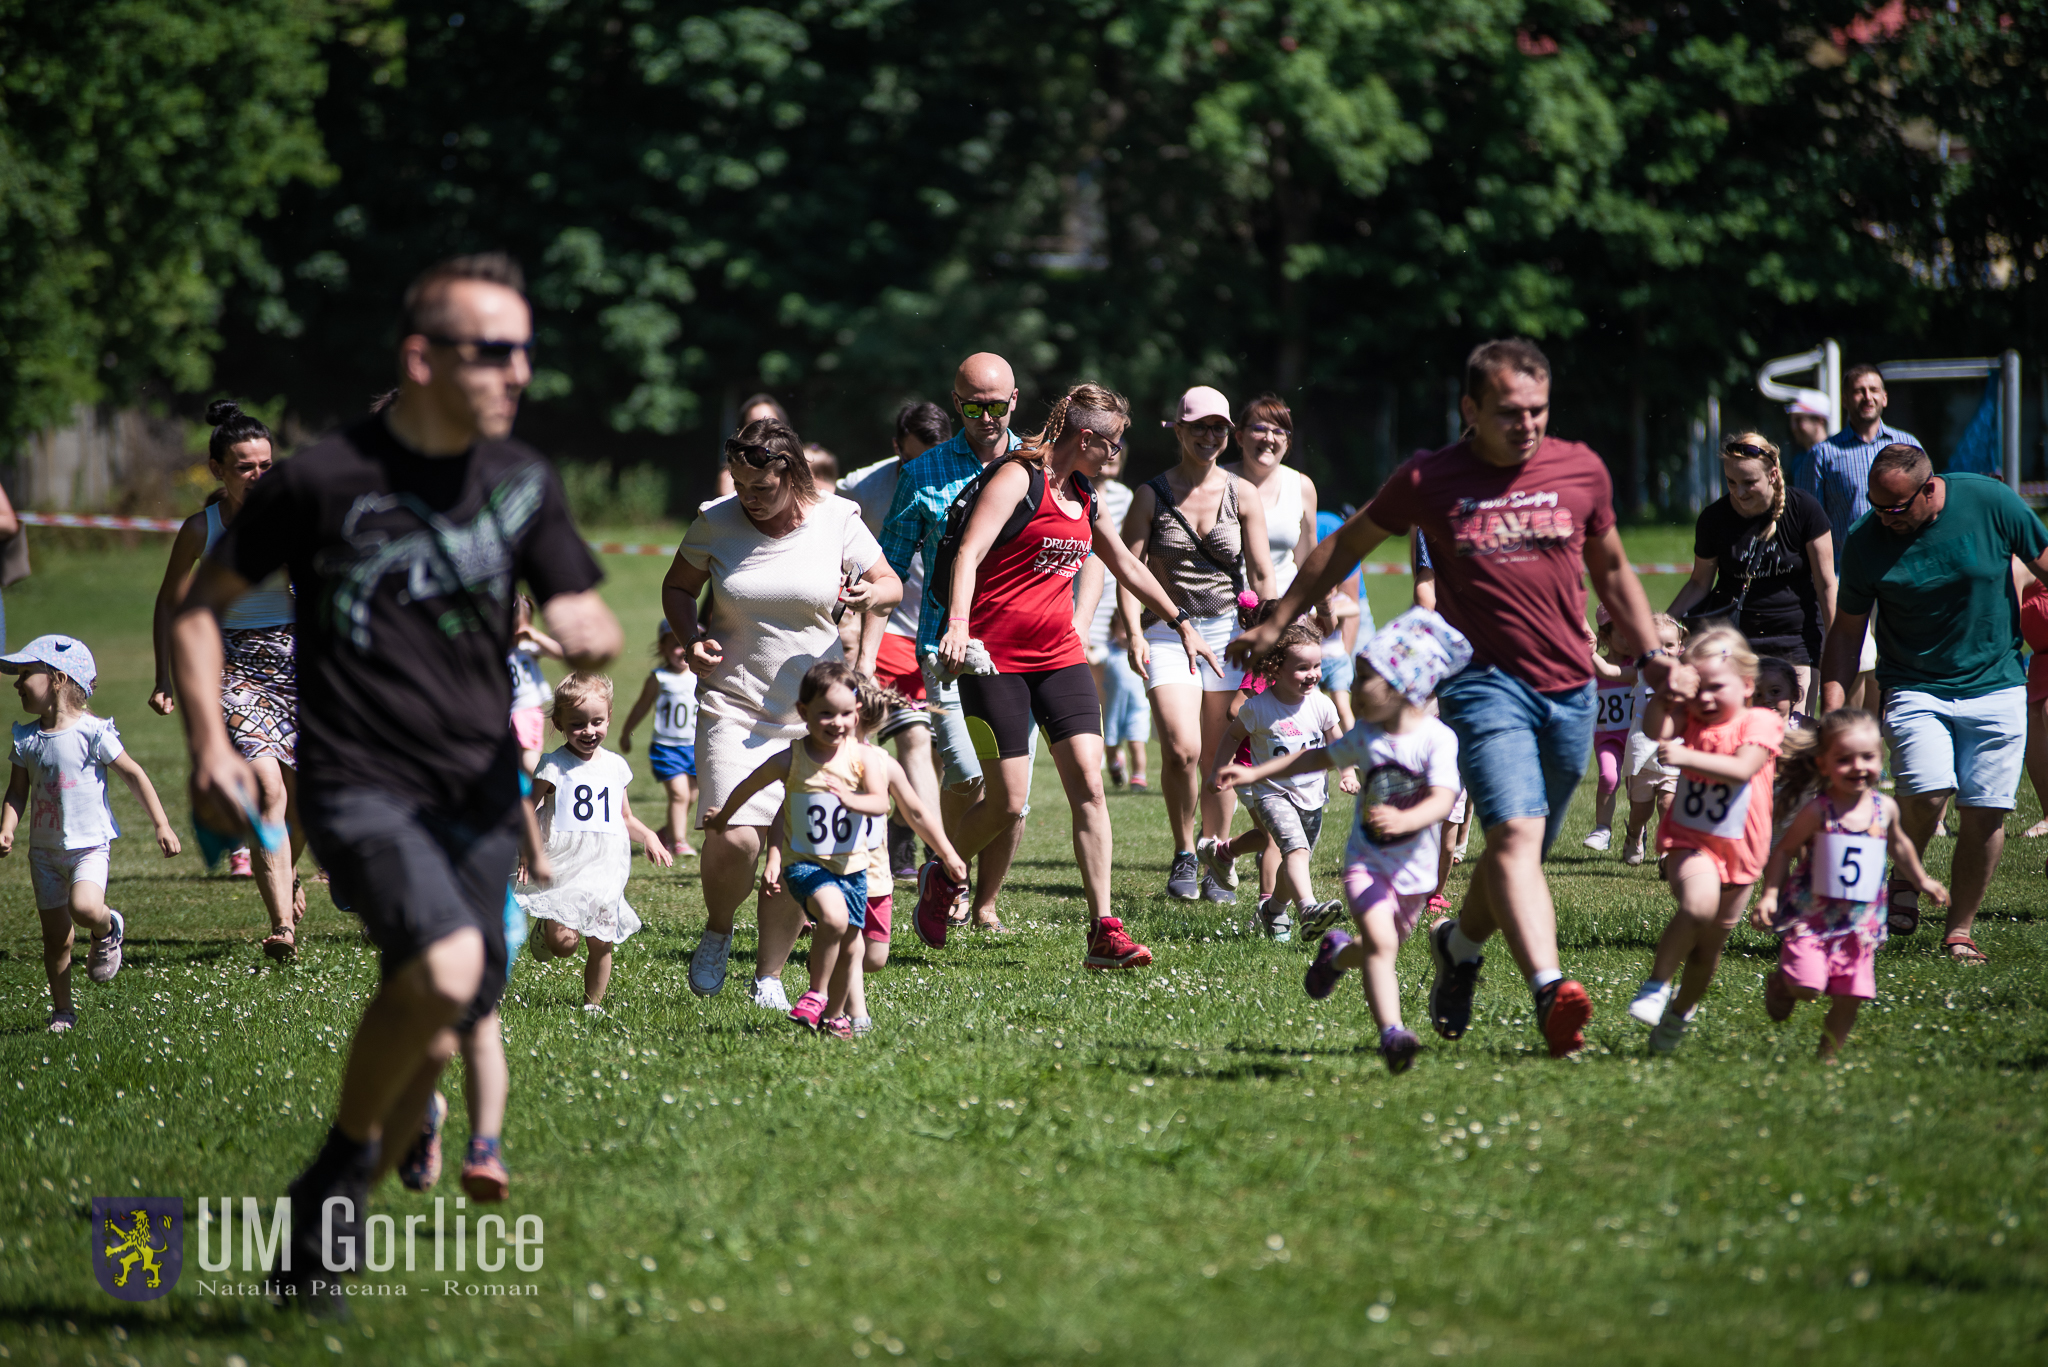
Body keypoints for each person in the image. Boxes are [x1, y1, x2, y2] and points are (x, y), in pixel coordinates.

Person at [172, 252, 621, 1297]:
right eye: (491, 351)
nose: (516, 371)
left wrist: (586, 621)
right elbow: (201, 611)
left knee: (432, 1009)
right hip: (359, 777)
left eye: (525, 351)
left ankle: (333, 1176)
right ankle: (342, 1176)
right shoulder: (318, 482)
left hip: (478, 785)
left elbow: (573, 600)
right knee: (451, 971)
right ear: (422, 358)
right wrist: (206, 744)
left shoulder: (519, 478)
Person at [1230, 338, 1685, 1059]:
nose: (1528, 424)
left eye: (1538, 410)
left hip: (1568, 688)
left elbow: (1614, 569)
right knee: (1511, 835)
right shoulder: (1431, 478)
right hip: (1482, 685)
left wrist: (1654, 655)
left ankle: (1460, 945)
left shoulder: (1580, 469)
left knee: (1521, 848)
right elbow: (1345, 546)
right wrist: (1281, 619)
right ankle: (1549, 988)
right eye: (1510, 412)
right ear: (1471, 409)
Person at [918, 381, 1224, 970]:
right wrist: (957, 624)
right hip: (995, 659)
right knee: (1008, 803)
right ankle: (943, 874)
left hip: (1059, 656)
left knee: (1088, 783)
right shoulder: (1017, 478)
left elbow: (1126, 563)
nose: (1116, 454)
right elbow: (968, 553)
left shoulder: (1087, 494)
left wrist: (1179, 619)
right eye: (1112, 443)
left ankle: (1103, 930)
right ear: (1085, 437)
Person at [661, 417, 901, 1005]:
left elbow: (889, 582)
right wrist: (691, 637)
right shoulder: (715, 520)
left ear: (790, 474)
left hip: (811, 715)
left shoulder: (837, 518)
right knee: (736, 835)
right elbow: (676, 588)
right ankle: (719, 928)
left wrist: (871, 594)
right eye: (742, 487)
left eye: (762, 489)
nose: (750, 499)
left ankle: (767, 976)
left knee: (799, 849)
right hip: (733, 704)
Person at [1820, 443, 2048, 964]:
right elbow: (1847, 632)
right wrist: (1833, 712)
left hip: (1997, 681)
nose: (1885, 519)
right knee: (1926, 792)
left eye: (1896, 508)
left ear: (1930, 489)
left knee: (1987, 811)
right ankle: (1902, 876)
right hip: (1914, 684)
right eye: (1876, 507)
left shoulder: (1990, 501)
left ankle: (1960, 931)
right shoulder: (1865, 540)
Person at [1230, 608, 1468, 1075]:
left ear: (1406, 687)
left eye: (1365, 680)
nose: (1353, 691)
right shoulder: (1367, 735)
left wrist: (1408, 820)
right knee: (1381, 945)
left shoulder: (1438, 740)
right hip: (1368, 864)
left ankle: (1337, 954)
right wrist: (1254, 771)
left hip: (1415, 874)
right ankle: (1392, 1033)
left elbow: (1443, 800)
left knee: (1379, 946)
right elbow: (1309, 759)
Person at [716, 661, 963, 1035]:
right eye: (827, 715)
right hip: (814, 867)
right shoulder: (801, 760)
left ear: (859, 716)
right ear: (807, 715)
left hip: (868, 872)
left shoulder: (876, 762)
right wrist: (762, 847)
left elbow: (912, 810)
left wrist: (947, 853)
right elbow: (772, 800)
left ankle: (834, 1005)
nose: (840, 727)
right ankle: (840, 1006)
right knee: (841, 929)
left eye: (848, 716)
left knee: (871, 956)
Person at [877, 355, 1032, 932]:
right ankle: (943, 870)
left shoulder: (1038, 464)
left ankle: (984, 900)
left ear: (1015, 400)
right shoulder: (925, 471)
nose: (986, 416)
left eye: (996, 405)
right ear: (956, 400)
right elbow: (890, 561)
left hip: (1023, 651)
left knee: (1014, 795)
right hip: (946, 650)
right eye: (973, 406)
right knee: (969, 777)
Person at [148, 400, 305, 951]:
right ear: (219, 470)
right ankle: (281, 925)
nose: (258, 476)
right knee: (268, 790)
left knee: (305, 798)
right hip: (234, 666)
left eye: (266, 466)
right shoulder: (202, 529)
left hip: (299, 661)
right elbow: (169, 603)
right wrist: (165, 676)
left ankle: (288, 873)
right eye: (245, 467)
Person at [1118, 385, 1274, 903]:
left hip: (1230, 635)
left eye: (1218, 428)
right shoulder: (1151, 495)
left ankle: (1216, 854)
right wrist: (1135, 633)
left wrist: (1268, 634)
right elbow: (1127, 570)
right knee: (1182, 750)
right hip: (1167, 633)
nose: (1209, 436)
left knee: (1219, 753)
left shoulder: (1241, 492)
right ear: (1179, 431)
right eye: (1199, 427)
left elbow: (1262, 574)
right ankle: (1184, 850)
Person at [0, 635, 180, 1031]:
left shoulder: (93, 732)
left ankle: (106, 926)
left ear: (58, 678)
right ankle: (62, 1010)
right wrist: (8, 828)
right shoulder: (26, 739)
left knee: (83, 909)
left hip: (87, 849)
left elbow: (133, 774)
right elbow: (17, 790)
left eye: (26, 673)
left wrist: (161, 824)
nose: (16, 683)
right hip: (44, 854)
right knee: (56, 940)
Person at [1752, 709, 1947, 1059]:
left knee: (1851, 996)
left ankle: (1826, 1059)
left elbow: (1900, 845)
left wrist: (1923, 880)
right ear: (1823, 764)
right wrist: (1769, 896)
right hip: (1812, 918)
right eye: (1844, 759)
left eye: (1868, 757)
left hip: (1860, 923)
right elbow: (1783, 852)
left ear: (1880, 758)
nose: (1858, 766)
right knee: (1808, 987)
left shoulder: (1884, 808)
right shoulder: (1818, 811)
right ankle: (1782, 983)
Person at [1626, 627, 1784, 1054]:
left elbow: (1741, 768)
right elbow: (1656, 726)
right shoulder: (1691, 716)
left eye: (1717, 688)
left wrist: (1686, 757)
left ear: (1747, 685)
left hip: (1742, 853)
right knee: (1697, 906)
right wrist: (1670, 693)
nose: (1707, 699)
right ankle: (1657, 985)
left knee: (1707, 951)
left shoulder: (1762, 721)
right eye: (1701, 689)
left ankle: (1680, 1012)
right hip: (1690, 841)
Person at [838, 399, 952, 876]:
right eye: (910, 459)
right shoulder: (864, 488)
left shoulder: (968, 478)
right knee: (911, 741)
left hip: (948, 634)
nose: (920, 470)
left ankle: (906, 831)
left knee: (941, 751)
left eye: (931, 457)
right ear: (895, 448)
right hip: (886, 632)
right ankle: (934, 854)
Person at [520, 673, 672, 1010]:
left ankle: (593, 1004)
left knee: (602, 941)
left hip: (604, 867)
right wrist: (527, 852)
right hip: (564, 863)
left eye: (597, 722)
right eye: (577, 724)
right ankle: (549, 926)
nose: (589, 731)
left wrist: (649, 836)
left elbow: (625, 817)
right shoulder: (553, 765)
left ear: (609, 718)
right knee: (564, 945)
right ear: (558, 723)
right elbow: (528, 810)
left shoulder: (616, 766)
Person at [1199, 622, 1353, 941]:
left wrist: (1348, 772)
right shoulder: (1257, 707)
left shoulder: (1322, 704)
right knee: (1295, 850)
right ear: (1275, 668)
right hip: (1272, 795)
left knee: (1296, 857)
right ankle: (1308, 909)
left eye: (1317, 666)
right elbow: (1231, 737)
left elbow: (1338, 742)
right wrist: (1218, 770)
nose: (1312, 674)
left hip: (1312, 796)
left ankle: (1273, 911)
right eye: (1302, 668)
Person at [1669, 432, 1837, 712]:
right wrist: (1664, 624)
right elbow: (1699, 583)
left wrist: (1835, 642)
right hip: (1736, 642)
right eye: (1731, 482)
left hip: (1797, 639)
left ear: (1772, 475)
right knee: (1739, 738)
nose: (1739, 492)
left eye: (1749, 482)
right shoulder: (1714, 519)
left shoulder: (1804, 509)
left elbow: (1826, 584)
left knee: (1791, 736)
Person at [1795, 366, 1920, 709]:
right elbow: (1804, 523)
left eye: (1873, 389)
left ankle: (1874, 750)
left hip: (1900, 572)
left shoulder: (1908, 446)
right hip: (1844, 576)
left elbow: (1926, 510)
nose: (1866, 397)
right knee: (1852, 663)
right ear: (1846, 399)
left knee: (1892, 664)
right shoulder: (1823, 455)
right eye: (1858, 390)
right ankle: (1848, 743)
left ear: (1884, 397)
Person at [618, 619, 700, 858]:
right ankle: (679, 842)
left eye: (684, 645)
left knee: (692, 796)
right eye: (673, 645)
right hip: (667, 747)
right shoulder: (659, 677)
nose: (679, 651)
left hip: (694, 747)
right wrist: (626, 732)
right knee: (679, 795)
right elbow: (641, 706)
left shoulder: (700, 675)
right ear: (662, 648)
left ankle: (667, 832)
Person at [1223, 394, 1318, 593]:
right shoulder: (1218, 481)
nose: (1269, 438)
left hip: (1284, 609)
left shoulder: (1301, 486)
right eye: (1259, 429)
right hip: (1224, 612)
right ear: (1239, 437)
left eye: (1279, 432)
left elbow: (1307, 561)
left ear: (1287, 442)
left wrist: (1316, 607)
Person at [1620, 614, 1688, 865]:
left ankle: (1666, 850)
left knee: (1667, 803)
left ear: (1680, 647)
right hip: (1642, 754)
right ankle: (1635, 834)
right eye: (1656, 646)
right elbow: (1608, 671)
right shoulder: (1640, 673)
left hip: (1673, 750)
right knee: (1641, 810)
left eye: (1669, 645)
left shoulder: (1686, 675)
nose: (1664, 651)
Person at [1584, 610, 1637, 852]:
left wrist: (1590, 654)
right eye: (1622, 634)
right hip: (1606, 738)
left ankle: (1636, 835)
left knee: (1636, 790)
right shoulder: (1591, 668)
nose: (1630, 640)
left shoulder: (1638, 666)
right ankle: (1602, 829)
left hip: (1637, 738)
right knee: (1608, 777)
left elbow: (1607, 670)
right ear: (1605, 636)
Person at [508, 593, 563, 776]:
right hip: (504, 711)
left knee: (529, 761)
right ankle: (527, 798)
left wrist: (535, 635)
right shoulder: (496, 648)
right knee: (512, 762)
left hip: (526, 708)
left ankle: (551, 785)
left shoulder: (527, 647)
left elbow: (559, 652)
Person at [713, 392, 791, 498]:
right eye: (753, 424)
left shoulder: (802, 467)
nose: (762, 428)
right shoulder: (729, 478)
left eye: (768, 422)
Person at [1785, 394, 1831, 460]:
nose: (1794, 428)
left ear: (1819, 420)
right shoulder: (1798, 460)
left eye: (1799, 420)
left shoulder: (1834, 456)